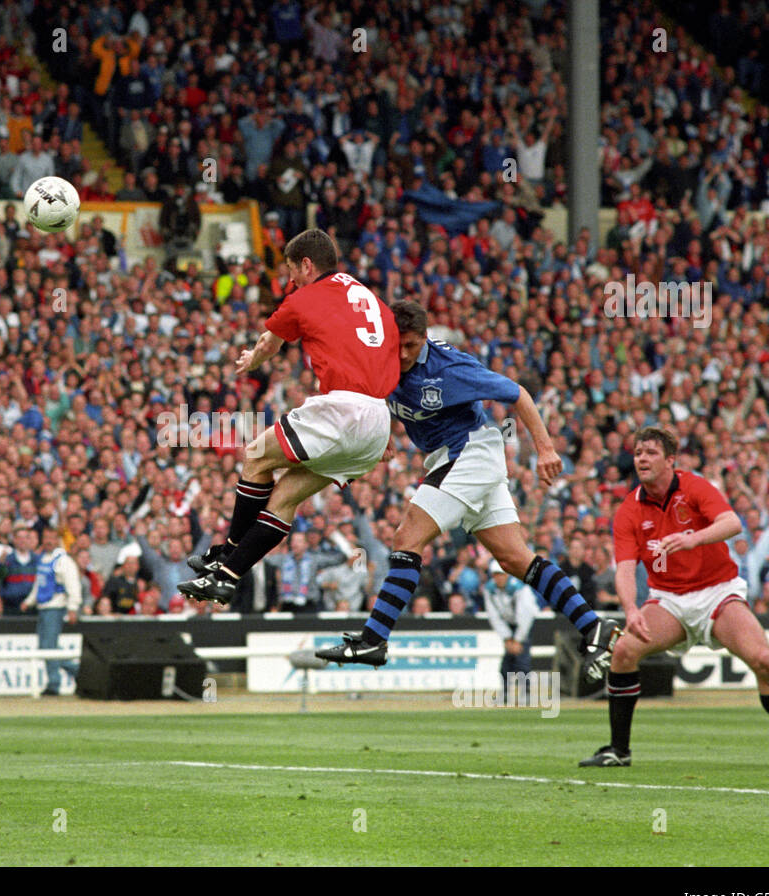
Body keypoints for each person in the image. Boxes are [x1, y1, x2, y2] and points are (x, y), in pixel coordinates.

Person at [318, 300, 621, 667]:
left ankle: (373, 639)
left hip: (469, 453)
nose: (402, 354)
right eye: (397, 345)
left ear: (425, 338)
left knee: (406, 537)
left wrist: (544, 450)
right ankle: (593, 626)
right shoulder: (381, 357)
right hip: (456, 458)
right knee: (513, 558)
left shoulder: (450, 369)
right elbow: (369, 391)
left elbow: (518, 394)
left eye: (411, 346)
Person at [580, 426, 769, 768]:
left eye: (651, 452)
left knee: (763, 659)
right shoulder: (629, 509)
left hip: (718, 592)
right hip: (669, 599)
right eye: (638, 452)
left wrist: (693, 539)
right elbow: (625, 568)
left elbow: (732, 523)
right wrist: (630, 609)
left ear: (670, 460)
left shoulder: (695, 486)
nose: (641, 458)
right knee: (625, 650)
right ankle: (618, 751)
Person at [179, 229, 400, 606]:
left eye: (292, 270)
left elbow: (270, 342)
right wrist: (383, 427)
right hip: (378, 420)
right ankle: (229, 576)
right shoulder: (370, 298)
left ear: (307, 264)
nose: (290, 279)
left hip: (340, 409)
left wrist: (252, 359)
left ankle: (228, 552)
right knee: (283, 499)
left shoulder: (306, 297)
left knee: (255, 455)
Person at [21, 531, 83, 695]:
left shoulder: (64, 561)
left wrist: (72, 607)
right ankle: (78, 672)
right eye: (46, 538)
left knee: (49, 646)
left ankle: (54, 683)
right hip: (43, 607)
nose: (48, 541)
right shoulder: (43, 559)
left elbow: (73, 585)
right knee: (46, 647)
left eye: (51, 538)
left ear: (57, 540)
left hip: (55, 607)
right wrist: (29, 601)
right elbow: (39, 584)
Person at [481, 559, 538, 700]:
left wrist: (518, 639)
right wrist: (507, 638)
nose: (498, 578)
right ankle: (506, 692)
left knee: (521, 660)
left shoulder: (519, 588)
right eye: (495, 575)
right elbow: (493, 616)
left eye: (501, 574)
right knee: (507, 661)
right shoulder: (490, 590)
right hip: (508, 625)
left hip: (524, 624)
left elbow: (525, 615)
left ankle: (526, 693)